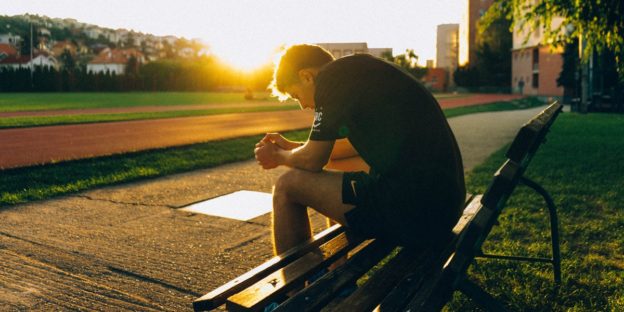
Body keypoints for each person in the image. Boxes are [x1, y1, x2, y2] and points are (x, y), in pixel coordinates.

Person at [254, 44, 465, 256]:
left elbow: (313, 160)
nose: (302, 105)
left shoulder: (330, 80)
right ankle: (338, 274)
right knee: (337, 167)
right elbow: (339, 151)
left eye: (296, 95)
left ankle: (301, 288)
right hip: (443, 205)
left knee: (287, 186)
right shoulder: (359, 73)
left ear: (307, 76)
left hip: (416, 213)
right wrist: (292, 148)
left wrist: (278, 157)